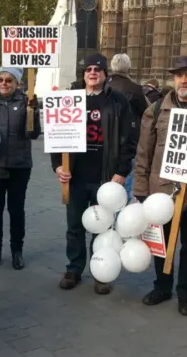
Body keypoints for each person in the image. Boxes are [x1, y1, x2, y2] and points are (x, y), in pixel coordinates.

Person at [133, 55, 187, 316]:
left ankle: (185, 293)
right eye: (178, 75)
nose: (183, 80)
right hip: (162, 191)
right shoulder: (156, 109)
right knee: (162, 243)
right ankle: (162, 286)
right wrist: (141, 191)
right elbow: (144, 152)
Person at [52, 53, 137, 294]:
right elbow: (55, 135)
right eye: (88, 69)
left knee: (104, 228)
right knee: (75, 226)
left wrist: (122, 171)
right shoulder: (69, 100)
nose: (92, 72)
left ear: (105, 74)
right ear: (83, 74)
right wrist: (58, 165)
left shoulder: (117, 100)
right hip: (77, 174)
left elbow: (129, 140)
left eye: (97, 69)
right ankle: (74, 268)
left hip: (106, 176)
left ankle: (102, 270)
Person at [0, 67, 41, 270]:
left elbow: (32, 135)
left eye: (9, 80)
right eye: (1, 79)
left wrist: (35, 112)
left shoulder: (25, 102)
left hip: (19, 165)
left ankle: (17, 251)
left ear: (17, 83)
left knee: (16, 210)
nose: (4, 83)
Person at [107, 53, 147, 202]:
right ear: (128, 68)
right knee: (124, 184)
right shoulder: (135, 88)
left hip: (105, 141)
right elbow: (145, 114)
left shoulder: (104, 84)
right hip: (128, 142)